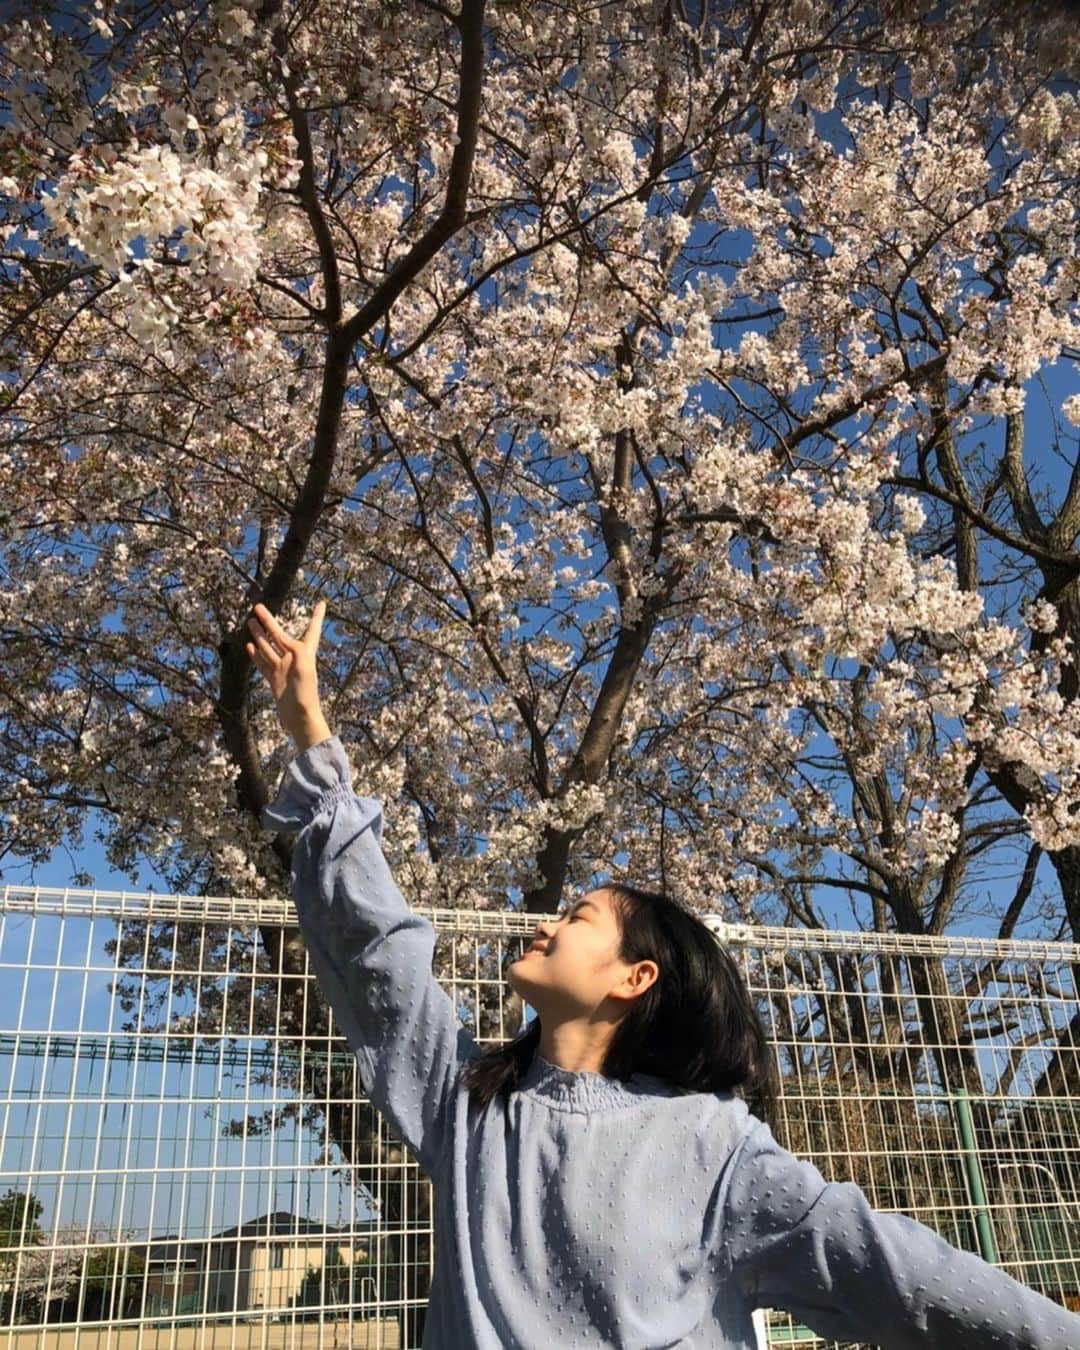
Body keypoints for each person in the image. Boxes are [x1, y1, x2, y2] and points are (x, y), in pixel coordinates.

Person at [246, 597, 1080, 1349]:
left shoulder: (709, 1145)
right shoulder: (468, 1102)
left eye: (575, 918)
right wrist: (312, 735)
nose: (543, 921)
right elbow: (376, 953)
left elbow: (881, 1264)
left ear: (634, 979)